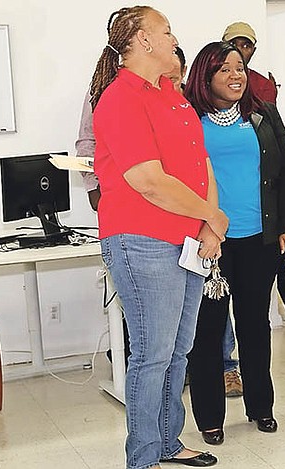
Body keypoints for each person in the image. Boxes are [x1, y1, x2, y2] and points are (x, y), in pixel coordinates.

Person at [90, 6, 226, 468]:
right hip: (142, 239)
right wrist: (212, 215)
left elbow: (199, 162)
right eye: (166, 31)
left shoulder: (173, 95)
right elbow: (148, 180)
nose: (173, 39)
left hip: (186, 238)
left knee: (178, 349)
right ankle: (143, 456)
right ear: (143, 41)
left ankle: (168, 441)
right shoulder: (119, 99)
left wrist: (209, 222)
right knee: (152, 354)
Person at [184, 41, 285, 446]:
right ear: (205, 76)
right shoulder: (186, 118)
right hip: (209, 242)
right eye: (225, 69)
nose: (236, 76)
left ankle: (261, 407)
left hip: (259, 239)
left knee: (255, 326)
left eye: (240, 68)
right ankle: (210, 417)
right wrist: (201, 227)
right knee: (208, 332)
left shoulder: (263, 115)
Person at [75, 46, 188, 368]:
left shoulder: (174, 99)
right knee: (151, 343)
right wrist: (93, 188)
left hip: (176, 217)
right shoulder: (110, 93)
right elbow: (87, 142)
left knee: (174, 339)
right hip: (134, 219)